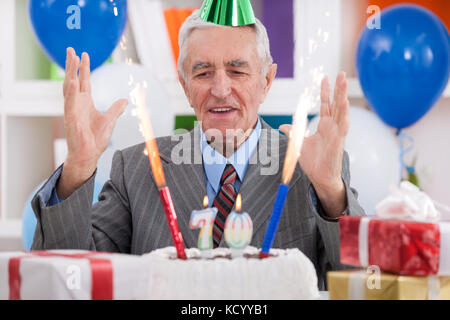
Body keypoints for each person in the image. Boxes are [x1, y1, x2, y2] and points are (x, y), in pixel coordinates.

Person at [31, 10, 365, 289]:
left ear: (266, 81)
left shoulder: (313, 168)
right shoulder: (135, 168)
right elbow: (66, 281)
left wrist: (331, 194)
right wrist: (77, 168)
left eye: (237, 70)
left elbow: (360, 285)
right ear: (185, 86)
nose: (220, 89)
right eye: (203, 72)